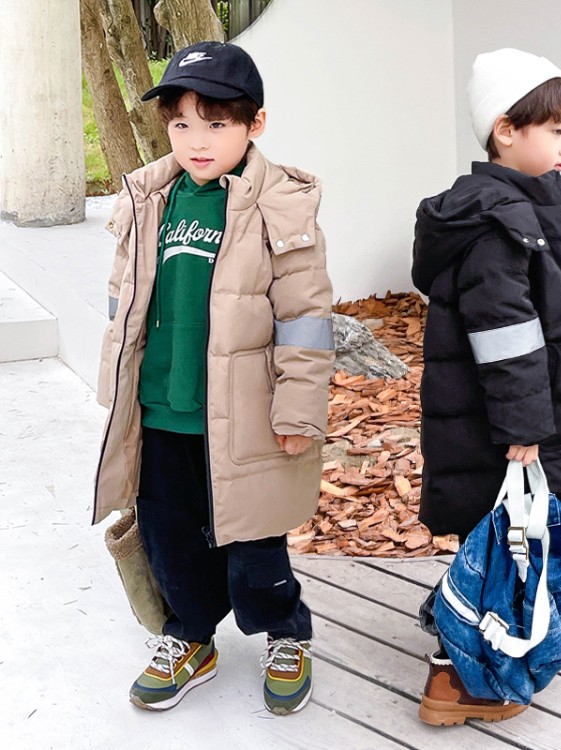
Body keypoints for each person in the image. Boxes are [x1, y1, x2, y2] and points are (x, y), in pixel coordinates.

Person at [92, 41, 334, 715]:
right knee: (168, 535)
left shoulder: (281, 206)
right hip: (160, 408)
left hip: (244, 415)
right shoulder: (148, 198)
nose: (197, 141)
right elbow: (121, 304)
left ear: (255, 124)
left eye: (217, 124)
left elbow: (305, 320)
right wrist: (117, 393)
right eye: (181, 123)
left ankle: (285, 632)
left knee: (255, 540)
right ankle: (190, 635)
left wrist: (297, 411)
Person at [411, 48, 561, 725]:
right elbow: (503, 332)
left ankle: (540, 619)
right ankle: (458, 679)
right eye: (555, 131)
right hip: (502, 421)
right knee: (501, 531)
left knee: (526, 521)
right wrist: (524, 426)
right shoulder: (496, 221)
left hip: (523, 409)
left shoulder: (527, 201)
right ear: (505, 130)